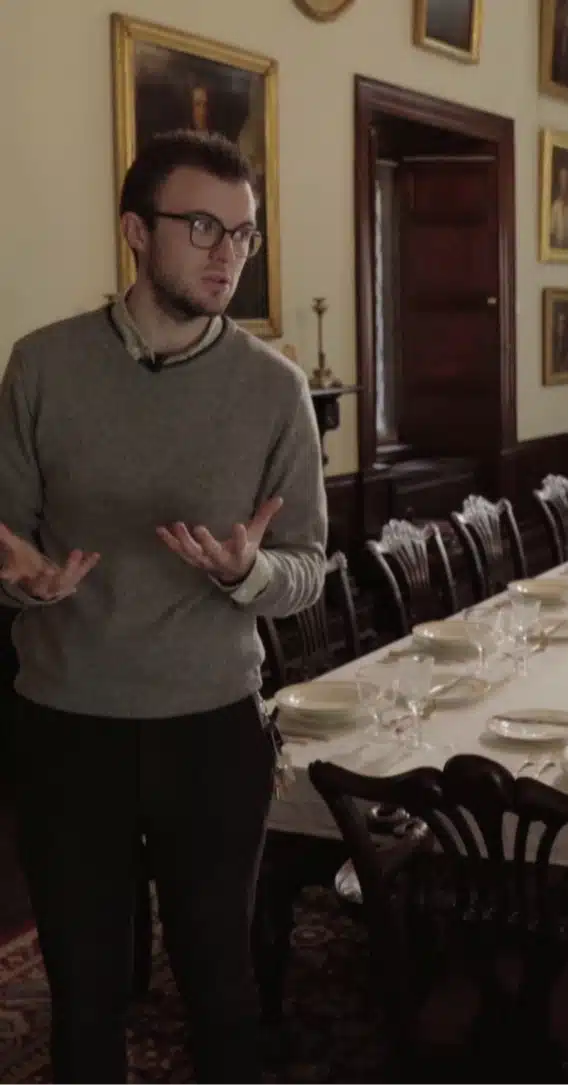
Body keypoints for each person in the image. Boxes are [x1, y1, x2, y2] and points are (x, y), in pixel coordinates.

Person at [0, 129, 326, 1082]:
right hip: (67, 725)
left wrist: (245, 577)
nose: (228, 253)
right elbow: (6, 532)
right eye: (202, 227)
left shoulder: (275, 389)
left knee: (223, 993)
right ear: (137, 232)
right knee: (86, 1001)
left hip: (211, 730)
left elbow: (310, 564)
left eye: (244, 234)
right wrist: (23, 575)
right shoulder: (43, 365)